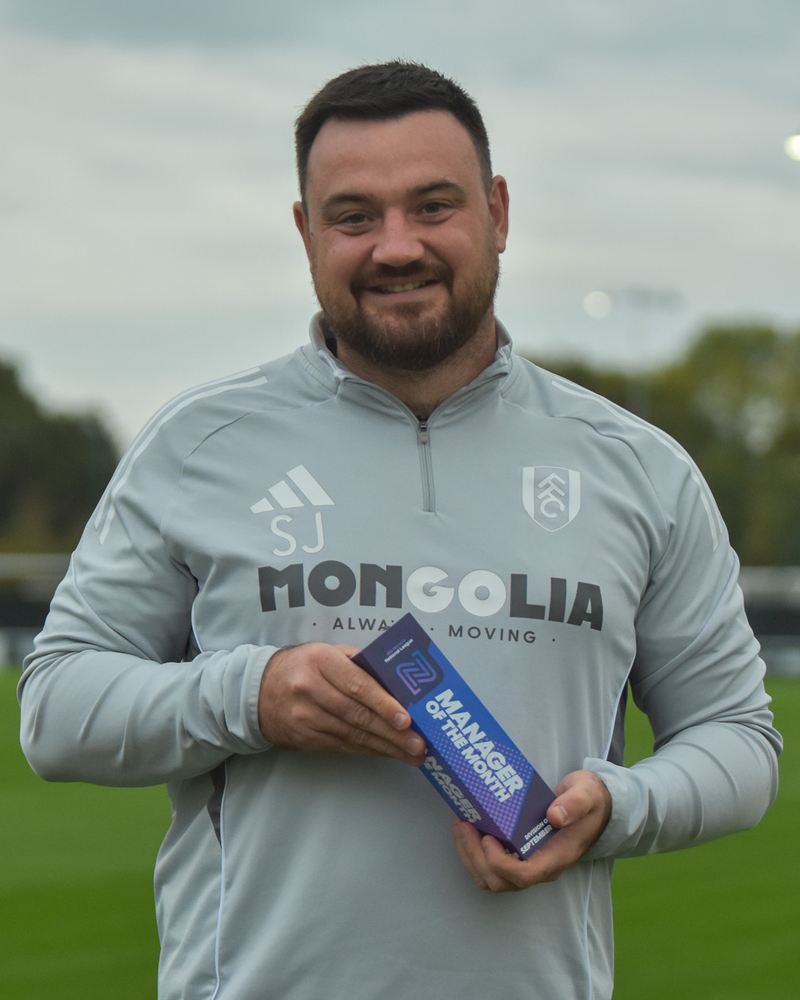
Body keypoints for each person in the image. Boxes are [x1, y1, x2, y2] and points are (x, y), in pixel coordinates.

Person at [19, 61, 780, 1000]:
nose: (395, 247)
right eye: (353, 217)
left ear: (498, 212)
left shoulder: (639, 468)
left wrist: (618, 805)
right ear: (305, 233)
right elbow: (55, 711)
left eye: (433, 206)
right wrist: (249, 697)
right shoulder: (198, 444)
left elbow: (739, 741)